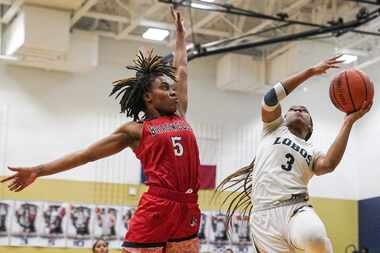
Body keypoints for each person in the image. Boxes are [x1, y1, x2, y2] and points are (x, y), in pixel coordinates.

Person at [1, 7, 201, 253]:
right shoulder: (135, 131)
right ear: (148, 96)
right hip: (157, 207)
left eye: (173, 88)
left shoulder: (180, 112)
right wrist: (38, 170)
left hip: (189, 206)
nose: (173, 91)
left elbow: (181, 69)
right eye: (164, 87)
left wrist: (181, 36)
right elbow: (85, 155)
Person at [218, 56, 372, 253]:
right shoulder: (273, 128)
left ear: (309, 126)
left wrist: (348, 122)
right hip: (263, 218)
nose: (298, 110)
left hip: (295, 209)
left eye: (304, 111)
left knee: (314, 237)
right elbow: (270, 98)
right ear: (283, 117)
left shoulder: (312, 151)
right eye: (292, 109)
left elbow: (328, 165)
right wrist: (310, 72)